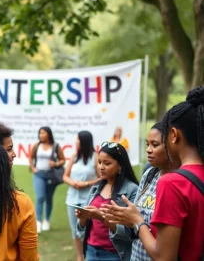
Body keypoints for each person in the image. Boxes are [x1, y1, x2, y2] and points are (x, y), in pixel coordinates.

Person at [103, 86, 204, 261]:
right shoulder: (153, 175)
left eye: (157, 143)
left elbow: (164, 257)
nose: (150, 149)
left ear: (173, 135)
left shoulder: (173, 182)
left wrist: (137, 221)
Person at [102, 122, 179, 260]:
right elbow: (134, 226)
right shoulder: (149, 174)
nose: (148, 150)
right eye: (147, 144)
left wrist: (137, 221)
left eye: (155, 145)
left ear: (171, 145)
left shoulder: (180, 182)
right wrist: (117, 219)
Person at [76, 142, 139, 261]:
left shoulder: (132, 190)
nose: (101, 167)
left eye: (107, 163)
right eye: (99, 162)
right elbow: (80, 232)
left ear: (120, 165)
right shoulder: (95, 188)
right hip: (91, 251)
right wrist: (83, 220)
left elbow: (131, 232)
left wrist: (102, 217)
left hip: (115, 255)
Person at [63, 131, 101, 261]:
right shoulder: (74, 156)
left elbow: (102, 178)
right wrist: (73, 183)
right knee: (75, 230)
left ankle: (88, 254)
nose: (75, 142)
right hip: (72, 198)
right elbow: (65, 176)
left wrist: (86, 183)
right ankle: (80, 257)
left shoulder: (96, 157)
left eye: (77, 139)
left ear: (84, 141)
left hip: (88, 199)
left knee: (87, 228)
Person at [29, 126, 65, 233]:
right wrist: (33, 168)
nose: (41, 135)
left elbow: (63, 159)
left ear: (48, 134)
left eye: (43, 133)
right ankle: (38, 222)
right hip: (39, 174)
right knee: (40, 197)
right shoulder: (36, 145)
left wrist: (56, 163)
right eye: (40, 133)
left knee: (49, 198)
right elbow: (31, 157)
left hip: (51, 175)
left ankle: (46, 220)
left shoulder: (56, 146)